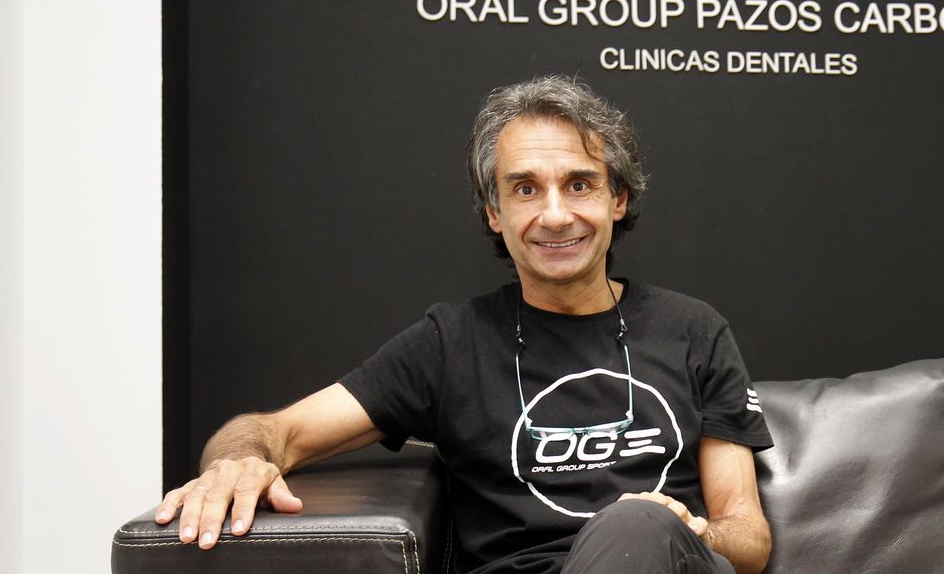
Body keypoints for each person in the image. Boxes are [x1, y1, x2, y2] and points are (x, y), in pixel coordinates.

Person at [155, 75, 773, 574]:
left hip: (667, 561)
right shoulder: (451, 344)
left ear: (618, 199)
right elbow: (272, 431)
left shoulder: (693, 330)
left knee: (638, 523)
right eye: (525, 189)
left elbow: (748, 537)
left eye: (579, 184)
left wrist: (690, 530)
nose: (556, 215)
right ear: (494, 213)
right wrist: (236, 461)